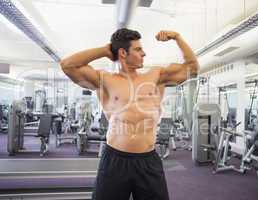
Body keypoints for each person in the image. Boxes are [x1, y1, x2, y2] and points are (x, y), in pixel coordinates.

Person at [60, 28, 199, 200]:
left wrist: (177, 37)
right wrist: (105, 50)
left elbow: (192, 68)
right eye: (138, 49)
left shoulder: (156, 76)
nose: (144, 53)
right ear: (123, 53)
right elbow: (67, 65)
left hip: (148, 160)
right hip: (114, 160)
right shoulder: (104, 80)